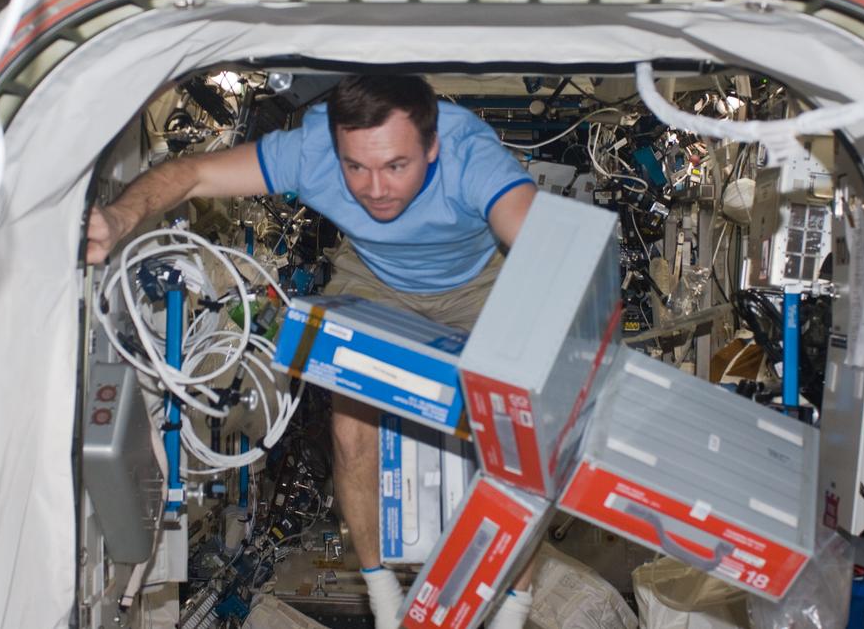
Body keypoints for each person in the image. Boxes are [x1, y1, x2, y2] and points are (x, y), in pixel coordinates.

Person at [87, 75, 538, 629]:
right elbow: (193, 173)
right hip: (376, 279)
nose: (375, 188)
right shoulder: (311, 152)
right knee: (351, 434)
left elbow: (542, 244)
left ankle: (514, 603)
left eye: (395, 166)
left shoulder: (472, 157)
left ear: (432, 147)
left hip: (477, 284)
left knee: (516, 435)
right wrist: (120, 217)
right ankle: (383, 596)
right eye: (356, 168)